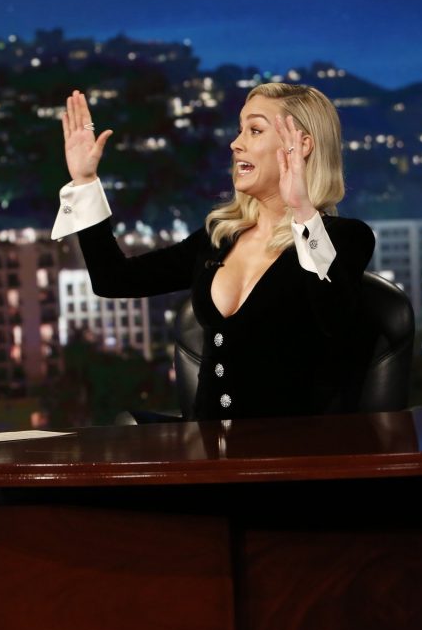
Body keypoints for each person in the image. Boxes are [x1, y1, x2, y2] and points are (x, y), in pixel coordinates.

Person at [52, 83, 376, 420]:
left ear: (302, 145)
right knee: (122, 433)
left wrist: (302, 211)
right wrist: (85, 181)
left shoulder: (344, 238)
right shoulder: (220, 237)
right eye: (239, 130)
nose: (236, 144)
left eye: (255, 130)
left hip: (291, 444)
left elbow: (336, 320)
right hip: (208, 441)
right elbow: (113, 279)